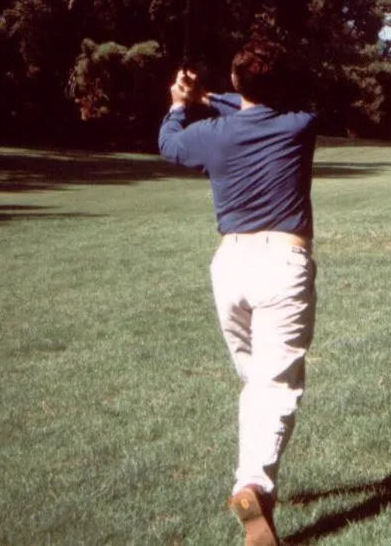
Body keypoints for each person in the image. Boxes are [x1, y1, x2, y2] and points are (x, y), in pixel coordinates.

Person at [158, 40, 317, 546]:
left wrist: (183, 102)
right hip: (282, 263)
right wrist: (208, 95)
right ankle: (254, 485)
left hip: (229, 266)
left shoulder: (212, 134)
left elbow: (170, 145)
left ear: (235, 83)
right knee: (275, 386)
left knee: (256, 383)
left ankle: (257, 485)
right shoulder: (300, 123)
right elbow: (264, 103)